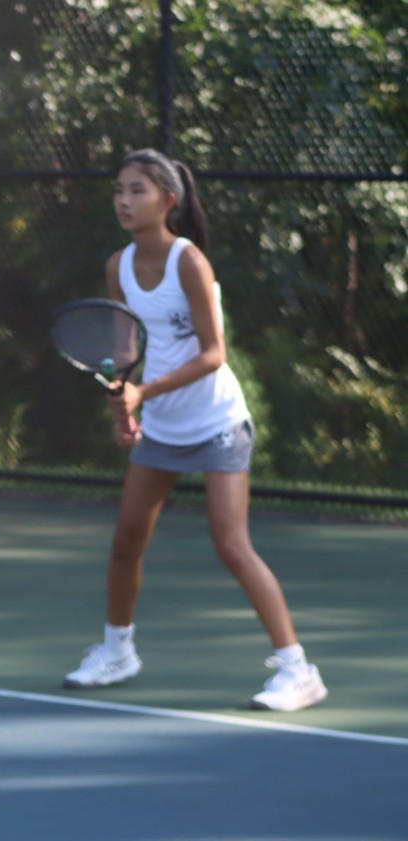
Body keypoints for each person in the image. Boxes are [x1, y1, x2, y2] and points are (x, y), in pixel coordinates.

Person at [61, 148, 327, 713]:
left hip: (217, 422)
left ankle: (297, 670)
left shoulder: (190, 262)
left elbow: (214, 353)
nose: (124, 201)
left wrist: (143, 394)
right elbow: (124, 349)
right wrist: (123, 410)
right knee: (126, 542)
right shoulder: (118, 265)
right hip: (160, 425)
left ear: (169, 200)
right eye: (118, 190)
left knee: (232, 545)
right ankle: (117, 652)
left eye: (137, 190)